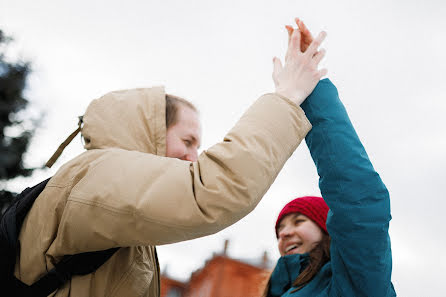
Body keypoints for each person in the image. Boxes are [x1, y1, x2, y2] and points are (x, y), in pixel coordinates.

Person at [14, 24, 328, 297]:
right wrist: (286, 98)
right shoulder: (98, 174)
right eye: (187, 142)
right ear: (149, 132)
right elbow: (212, 190)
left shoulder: (119, 204)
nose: (194, 157)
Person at [263, 19, 396, 297]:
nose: (284, 234)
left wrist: (307, 93)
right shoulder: (279, 290)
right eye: (280, 229)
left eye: (298, 222)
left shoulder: (353, 283)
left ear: (327, 229)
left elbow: (358, 202)